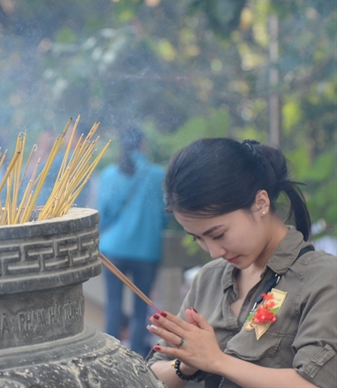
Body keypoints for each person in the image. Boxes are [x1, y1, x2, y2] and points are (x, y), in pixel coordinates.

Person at [146, 138, 336, 388]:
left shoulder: (322, 277)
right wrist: (186, 365)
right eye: (198, 239)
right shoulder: (209, 278)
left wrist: (216, 361)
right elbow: (151, 373)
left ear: (261, 203)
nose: (214, 251)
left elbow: (316, 383)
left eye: (218, 234)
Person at [97, 126, 168, 356]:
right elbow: (166, 216)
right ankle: (137, 357)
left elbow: (103, 213)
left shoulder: (109, 174)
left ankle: (110, 357)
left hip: (112, 248)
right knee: (141, 310)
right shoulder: (158, 175)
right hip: (146, 252)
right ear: (143, 145)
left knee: (113, 306)